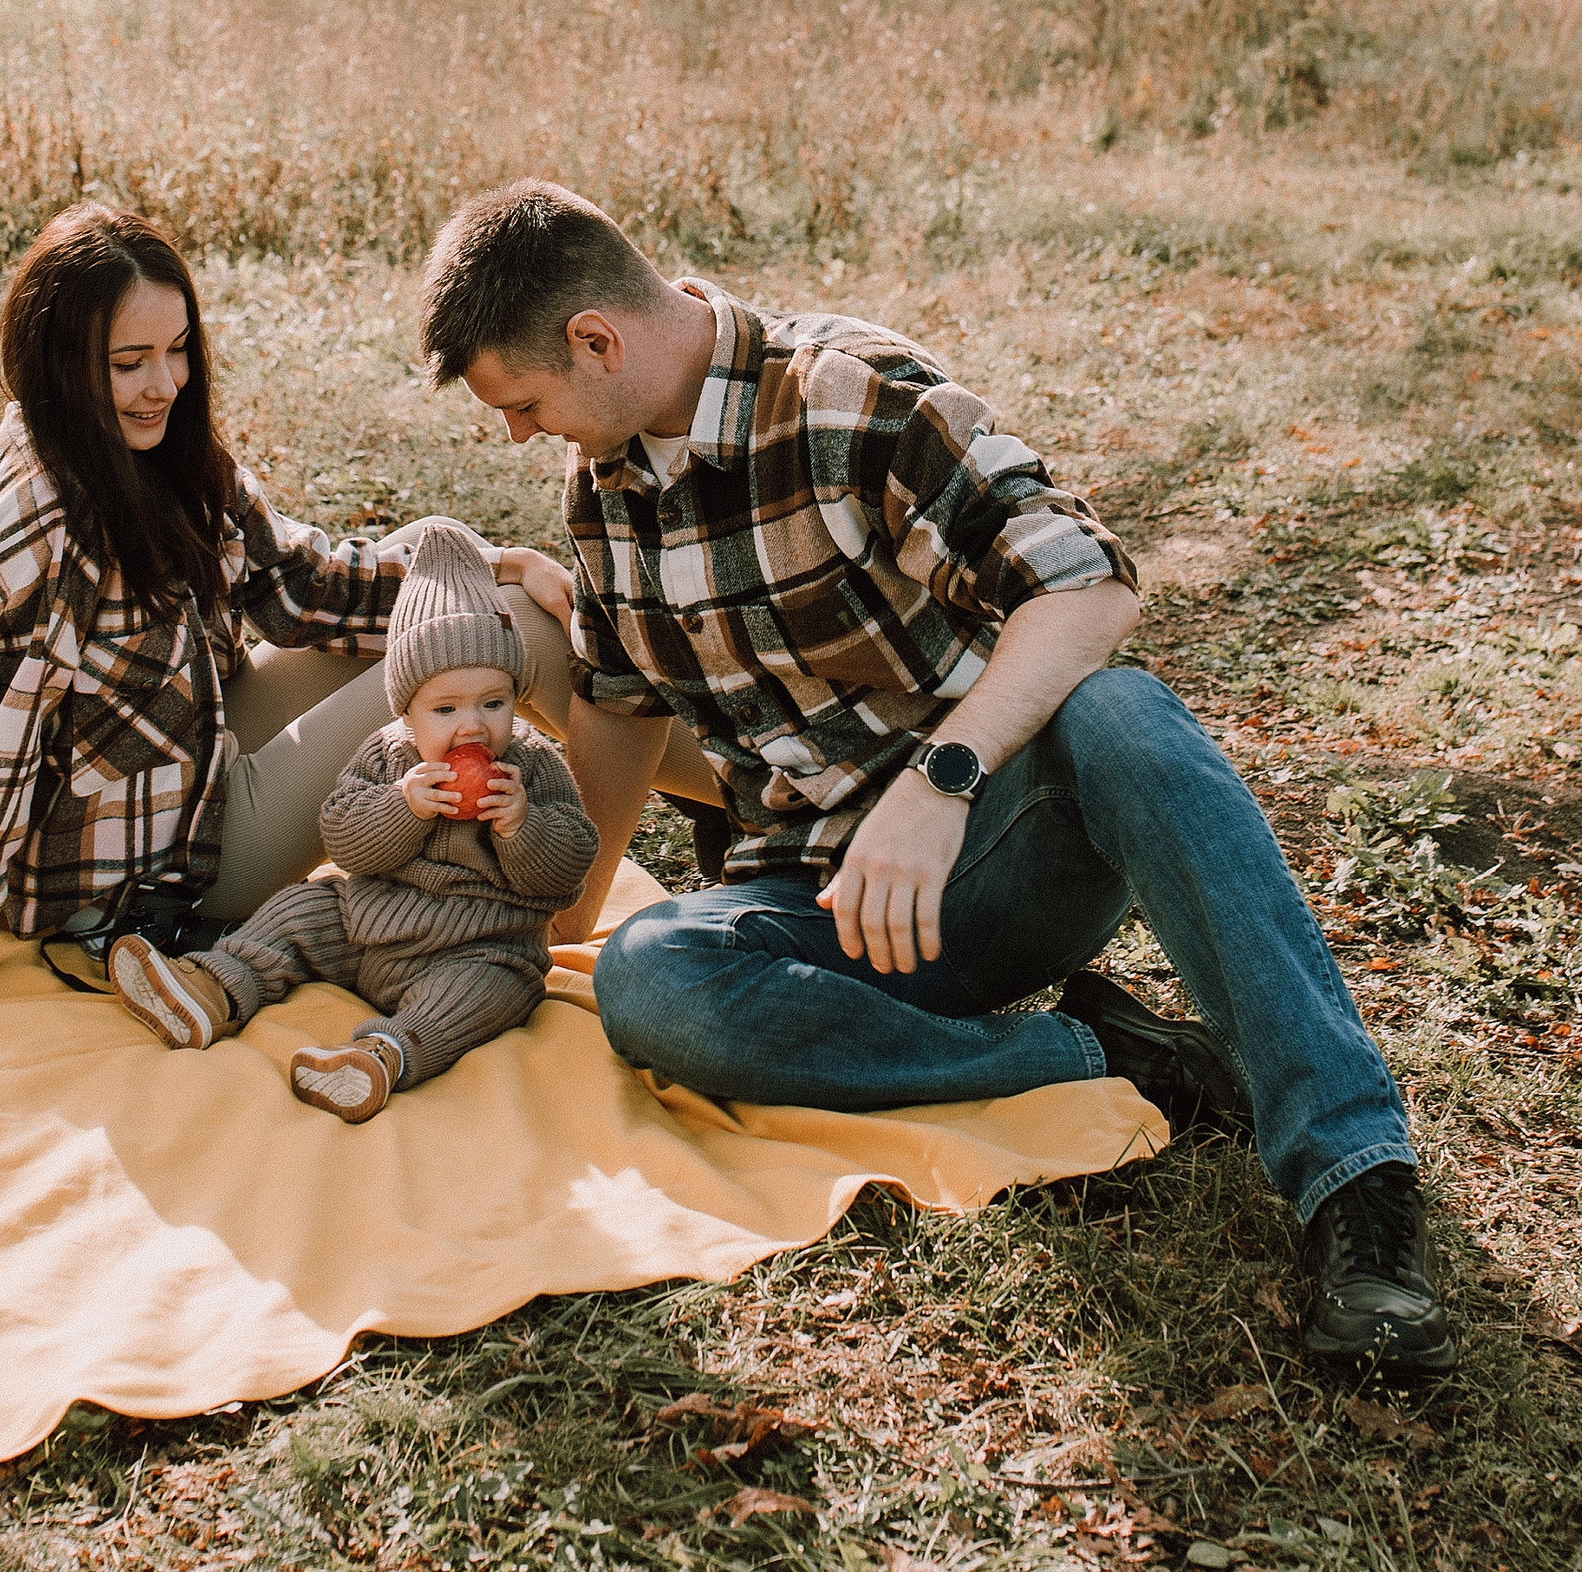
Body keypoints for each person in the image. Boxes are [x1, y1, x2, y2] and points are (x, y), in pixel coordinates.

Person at [416, 181, 1454, 1380]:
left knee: (1119, 713)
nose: (516, 434)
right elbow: (617, 711)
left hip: (998, 854)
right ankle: (1105, 1058)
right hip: (827, 918)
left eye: (525, 402)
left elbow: (1091, 586)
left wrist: (941, 778)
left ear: (595, 341)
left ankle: (1356, 1183)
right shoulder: (602, 491)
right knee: (652, 980)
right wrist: (553, 931)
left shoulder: (854, 395)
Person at [0, 207, 576, 1047]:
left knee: (440, 559)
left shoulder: (150, 445)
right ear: (61, 365)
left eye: (177, 350)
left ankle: (696, 784)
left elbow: (294, 587)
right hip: (161, 870)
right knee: (490, 629)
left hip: (202, 747)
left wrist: (493, 558)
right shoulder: (51, 527)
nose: (164, 384)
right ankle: (592, 889)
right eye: (129, 363)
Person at [110, 518, 599, 1117]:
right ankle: (212, 987)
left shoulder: (531, 765)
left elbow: (569, 868)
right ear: (407, 713)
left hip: (474, 948)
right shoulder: (386, 753)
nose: (473, 726)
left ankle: (381, 1056)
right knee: (303, 909)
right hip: (367, 928)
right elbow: (344, 838)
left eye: (493, 702)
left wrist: (523, 829)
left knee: (484, 993)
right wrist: (403, 808)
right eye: (445, 708)